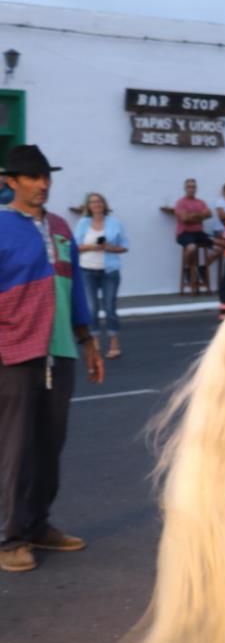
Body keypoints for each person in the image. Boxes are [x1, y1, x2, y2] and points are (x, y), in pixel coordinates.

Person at [1, 145, 105, 574]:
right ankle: (9, 538)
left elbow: (74, 288)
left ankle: (38, 524)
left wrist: (87, 339)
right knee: (14, 447)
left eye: (46, 176)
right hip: (13, 350)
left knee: (48, 445)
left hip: (59, 350)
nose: (42, 184)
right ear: (10, 182)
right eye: (31, 177)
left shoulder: (61, 227)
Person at [76, 191, 129, 360]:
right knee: (91, 309)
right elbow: (75, 246)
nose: (96, 204)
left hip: (109, 271)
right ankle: (95, 343)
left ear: (104, 204)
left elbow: (125, 246)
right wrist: (93, 247)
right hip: (87, 270)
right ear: (88, 206)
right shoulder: (83, 223)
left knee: (110, 308)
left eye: (99, 201)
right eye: (92, 202)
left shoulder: (114, 223)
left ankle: (114, 344)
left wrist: (109, 247)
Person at [169, 177, 213, 293]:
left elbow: (209, 214)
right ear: (185, 188)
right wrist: (200, 215)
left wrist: (192, 215)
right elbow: (185, 219)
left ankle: (202, 267)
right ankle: (188, 269)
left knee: (219, 246)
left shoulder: (200, 202)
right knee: (192, 247)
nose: (191, 189)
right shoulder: (180, 203)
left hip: (199, 233)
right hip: (184, 233)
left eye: (193, 187)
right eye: (189, 187)